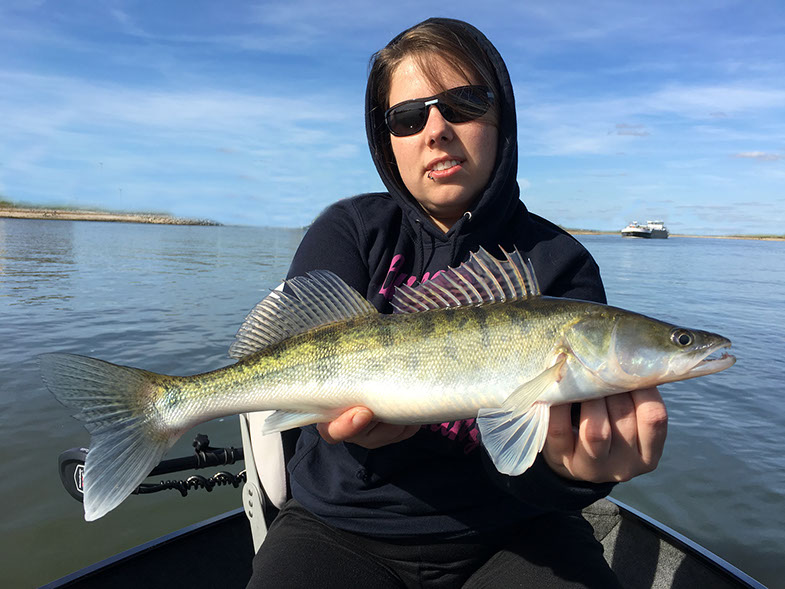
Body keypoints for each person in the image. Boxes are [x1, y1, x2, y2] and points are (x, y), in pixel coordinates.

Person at [247, 17, 667, 588]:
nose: (437, 130)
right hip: (339, 524)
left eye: (465, 103)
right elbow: (289, 370)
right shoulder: (350, 230)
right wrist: (328, 424)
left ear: (503, 118)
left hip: (518, 530)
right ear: (387, 140)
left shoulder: (559, 263)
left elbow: (543, 465)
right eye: (408, 117)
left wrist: (576, 475)